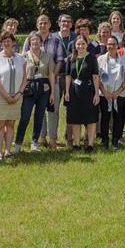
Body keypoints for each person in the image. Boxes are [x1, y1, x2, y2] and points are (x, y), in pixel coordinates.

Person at [14, 32, 56, 153]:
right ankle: (18, 143)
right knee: (25, 116)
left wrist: (52, 92)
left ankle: (34, 142)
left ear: (41, 42)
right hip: (29, 89)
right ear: (29, 42)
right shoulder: (23, 57)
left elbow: (51, 75)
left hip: (44, 89)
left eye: (37, 40)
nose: (35, 42)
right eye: (32, 41)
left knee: (39, 116)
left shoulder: (47, 56)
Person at [0, 31, 26, 160]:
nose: (6, 43)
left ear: (13, 42)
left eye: (9, 40)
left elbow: (25, 78)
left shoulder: (21, 58)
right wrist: (6, 96)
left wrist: (18, 94)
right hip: (0, 96)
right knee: (0, 124)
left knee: (10, 124)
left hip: (17, 96)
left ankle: (8, 150)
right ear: (1, 43)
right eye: (4, 41)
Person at [64, 35, 100, 152]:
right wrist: (67, 92)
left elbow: (95, 76)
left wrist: (96, 94)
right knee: (75, 118)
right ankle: (77, 143)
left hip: (88, 91)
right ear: (75, 45)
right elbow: (68, 76)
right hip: (74, 91)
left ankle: (90, 144)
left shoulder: (92, 58)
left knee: (90, 118)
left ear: (87, 45)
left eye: (83, 44)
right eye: (78, 44)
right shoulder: (71, 58)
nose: (80, 46)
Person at [0, 18, 19, 148]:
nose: (11, 28)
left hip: (12, 81)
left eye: (14, 26)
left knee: (10, 114)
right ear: (4, 26)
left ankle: (8, 136)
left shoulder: (16, 43)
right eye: (9, 25)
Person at [47, 13, 75, 149]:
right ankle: (52, 138)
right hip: (56, 76)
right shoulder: (52, 37)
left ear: (72, 24)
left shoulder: (75, 37)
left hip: (71, 77)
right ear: (58, 23)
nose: (66, 24)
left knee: (71, 107)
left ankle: (68, 138)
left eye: (68, 22)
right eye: (63, 21)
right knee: (54, 108)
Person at [97, 36, 125, 149]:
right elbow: (97, 78)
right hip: (104, 93)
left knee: (119, 117)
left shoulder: (123, 58)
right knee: (105, 117)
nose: (111, 46)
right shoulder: (101, 59)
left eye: (113, 44)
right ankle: (105, 141)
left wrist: (119, 91)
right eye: (109, 44)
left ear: (117, 46)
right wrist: (104, 91)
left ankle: (116, 140)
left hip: (120, 93)